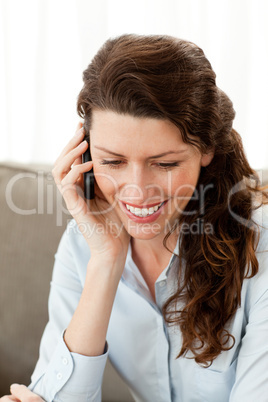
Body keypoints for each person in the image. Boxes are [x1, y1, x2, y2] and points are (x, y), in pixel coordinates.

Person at [2, 33, 268, 402]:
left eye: (165, 164)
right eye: (112, 161)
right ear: (86, 151)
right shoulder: (85, 245)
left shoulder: (261, 245)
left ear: (207, 148)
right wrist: (107, 261)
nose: (137, 191)